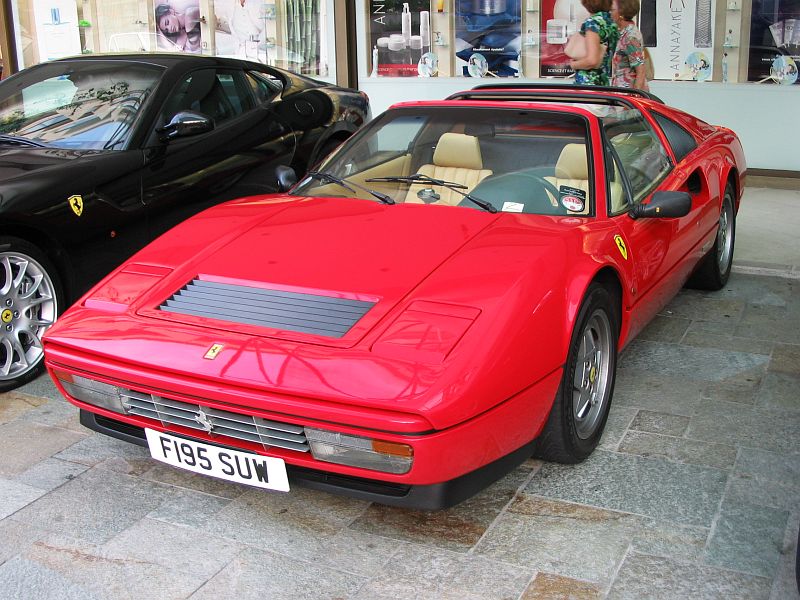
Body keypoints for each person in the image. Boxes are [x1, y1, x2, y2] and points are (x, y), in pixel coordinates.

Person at [568, 0, 618, 86]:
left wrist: (573, 65)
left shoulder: (593, 22)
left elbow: (592, 61)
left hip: (588, 85)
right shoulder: (611, 23)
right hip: (603, 82)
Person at [610, 0, 648, 90]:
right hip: (621, 90)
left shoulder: (630, 36)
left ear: (621, 13)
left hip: (628, 92)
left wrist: (635, 96)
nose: (610, 13)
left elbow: (640, 70)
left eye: (612, 10)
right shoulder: (623, 33)